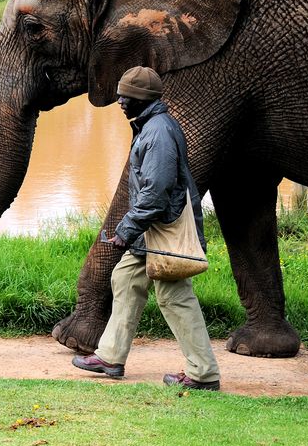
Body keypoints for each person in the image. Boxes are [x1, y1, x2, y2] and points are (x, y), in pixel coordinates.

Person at [73, 66, 221, 390]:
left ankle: (203, 373)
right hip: (153, 229)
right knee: (125, 277)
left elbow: (155, 194)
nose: (120, 101)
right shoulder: (150, 127)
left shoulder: (157, 133)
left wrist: (126, 229)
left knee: (173, 295)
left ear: (142, 99)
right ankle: (110, 356)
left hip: (164, 228)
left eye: (126, 96)